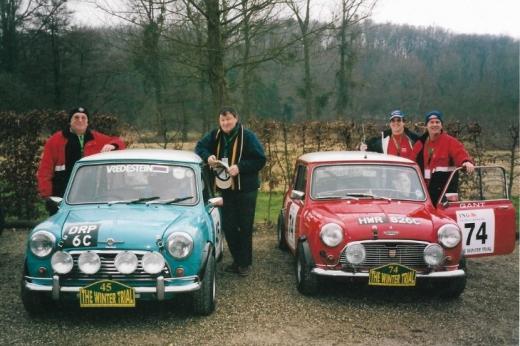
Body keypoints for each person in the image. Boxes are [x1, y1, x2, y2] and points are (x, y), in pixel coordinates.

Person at [195, 107, 266, 277]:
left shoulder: (248, 137)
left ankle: (244, 264)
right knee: (229, 226)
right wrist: (208, 157)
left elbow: (260, 159)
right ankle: (237, 260)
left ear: (236, 119)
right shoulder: (215, 135)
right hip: (226, 189)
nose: (225, 123)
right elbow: (199, 147)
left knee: (245, 226)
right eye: (222, 120)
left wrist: (240, 167)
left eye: (228, 119)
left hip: (246, 190)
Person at [37, 107, 126, 214]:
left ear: (87, 122)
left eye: (83, 118)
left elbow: (119, 142)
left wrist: (112, 145)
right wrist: (47, 196)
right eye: (76, 117)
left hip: (92, 196)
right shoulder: (55, 141)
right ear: (70, 121)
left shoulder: (97, 138)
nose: (80, 120)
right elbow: (45, 170)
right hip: (62, 197)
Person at [413, 110, 474, 205]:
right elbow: (411, 161)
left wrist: (466, 162)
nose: (435, 125)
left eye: (437, 122)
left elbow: (460, 153)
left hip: (445, 193)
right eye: (431, 122)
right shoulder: (420, 144)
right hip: (424, 191)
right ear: (426, 126)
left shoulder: (450, 141)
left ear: (441, 125)